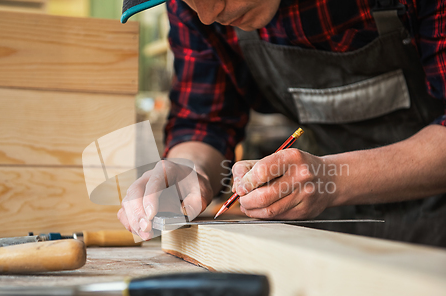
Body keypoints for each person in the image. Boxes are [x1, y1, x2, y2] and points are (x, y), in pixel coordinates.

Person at [118, 0, 446, 247]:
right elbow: (205, 119)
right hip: (339, 231)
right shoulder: (197, 9)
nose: (208, 13)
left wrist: (332, 177)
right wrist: (190, 169)